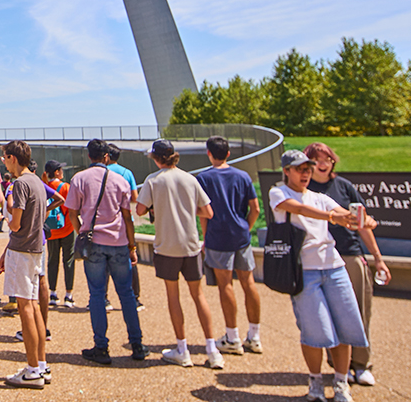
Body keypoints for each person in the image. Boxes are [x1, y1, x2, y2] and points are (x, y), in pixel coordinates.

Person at [270, 150, 372, 402]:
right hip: (305, 272)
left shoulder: (321, 198)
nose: (305, 173)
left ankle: (340, 383)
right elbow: (298, 208)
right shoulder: (279, 192)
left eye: (308, 169)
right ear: (286, 171)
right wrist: (331, 216)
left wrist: (361, 220)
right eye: (299, 169)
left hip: (334, 267)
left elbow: (343, 214)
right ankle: (315, 380)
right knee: (315, 332)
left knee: (345, 327)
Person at [304, 143, 389, 388]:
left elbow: (362, 223)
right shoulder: (305, 191)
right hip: (319, 259)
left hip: (349, 255)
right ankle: (339, 366)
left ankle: (361, 365)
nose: (322, 163)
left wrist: (378, 258)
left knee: (359, 312)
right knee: (327, 316)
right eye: (316, 159)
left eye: (327, 159)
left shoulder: (344, 186)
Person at [136, 139, 222, 369]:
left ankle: (182, 349)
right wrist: (186, 207)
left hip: (167, 246)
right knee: (198, 295)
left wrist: (159, 206)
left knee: (173, 296)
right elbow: (208, 212)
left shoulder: (153, 181)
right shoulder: (190, 179)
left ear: (156, 158)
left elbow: (140, 209)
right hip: (190, 245)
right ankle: (212, 350)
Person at [67, 139, 147, 364]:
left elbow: (72, 212)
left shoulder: (79, 178)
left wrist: (81, 232)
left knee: (97, 295)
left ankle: (101, 346)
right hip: (118, 241)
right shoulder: (120, 180)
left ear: (89, 156)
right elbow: (127, 216)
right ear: (106, 157)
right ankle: (137, 343)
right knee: (126, 294)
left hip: (93, 243)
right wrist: (132, 246)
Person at [197, 136, 263, 356]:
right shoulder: (243, 176)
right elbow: (255, 209)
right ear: (228, 153)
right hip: (241, 236)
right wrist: (247, 227)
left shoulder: (203, 178)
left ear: (209, 153)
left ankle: (232, 337)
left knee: (226, 285)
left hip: (218, 237)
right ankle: (254, 336)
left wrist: (205, 238)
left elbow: (204, 214)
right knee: (248, 282)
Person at [0, 140, 49, 389]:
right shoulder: (38, 182)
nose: (4, 162)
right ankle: (40, 364)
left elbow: (15, 223)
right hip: (36, 248)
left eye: (5, 157)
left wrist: (8, 216)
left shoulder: (20, 184)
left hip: (22, 249)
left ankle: (32, 370)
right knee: (34, 306)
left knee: (25, 308)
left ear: (13, 158)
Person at [103, 144, 143, 310]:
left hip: (105, 221)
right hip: (125, 221)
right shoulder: (127, 173)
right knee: (130, 259)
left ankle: (104, 298)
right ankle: (135, 298)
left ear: (106, 156)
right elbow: (134, 197)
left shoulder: (103, 173)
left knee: (103, 261)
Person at [43, 160, 76, 308]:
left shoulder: (46, 187)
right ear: (56, 172)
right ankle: (68, 295)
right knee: (68, 260)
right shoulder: (66, 187)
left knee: (52, 261)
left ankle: (53, 292)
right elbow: (72, 208)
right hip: (67, 228)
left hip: (51, 230)